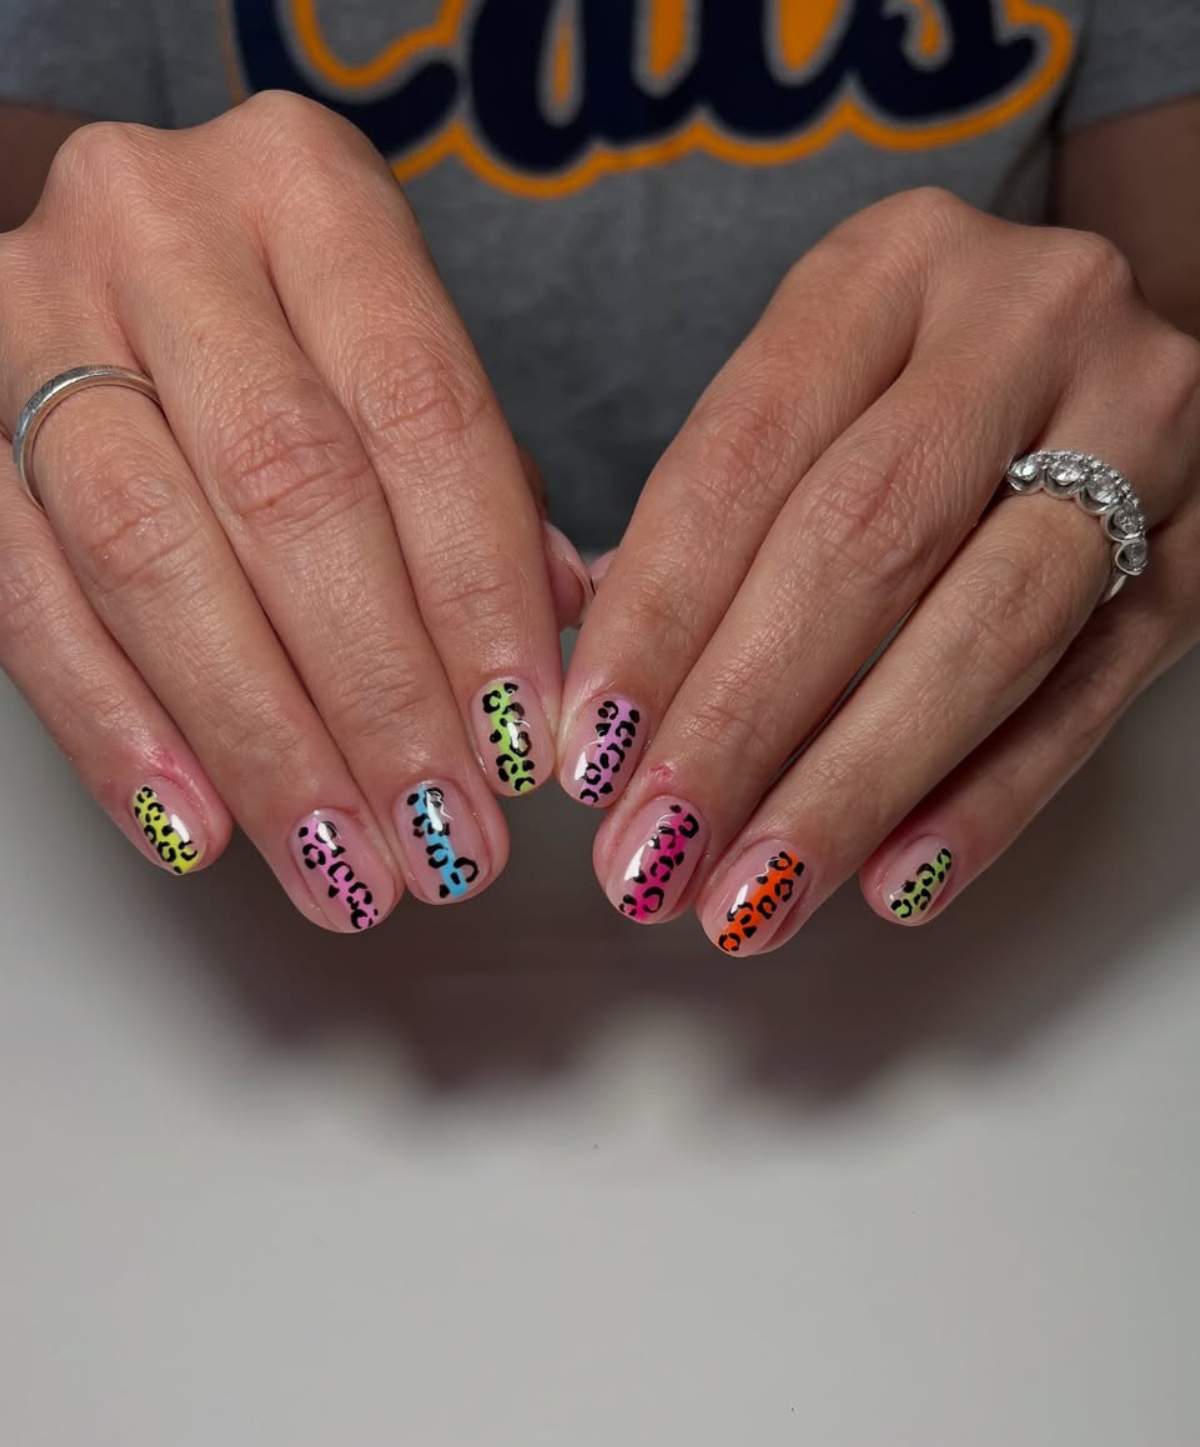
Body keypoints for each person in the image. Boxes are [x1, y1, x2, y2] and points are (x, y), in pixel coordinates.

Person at [0, 2, 1197, 952]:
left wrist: (1144, 433)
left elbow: (1161, 325)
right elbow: (51, 275)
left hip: (978, 873)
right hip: (202, 943)